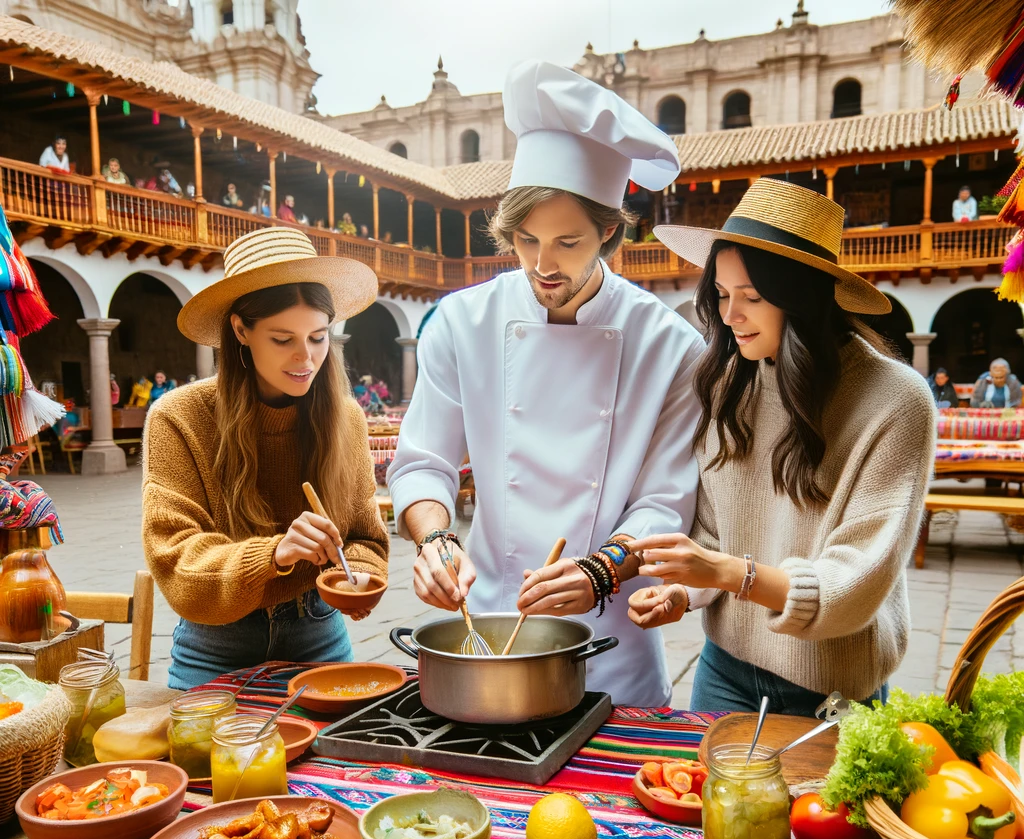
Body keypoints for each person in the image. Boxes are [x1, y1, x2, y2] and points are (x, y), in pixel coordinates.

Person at [387, 61, 703, 706]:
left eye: (566, 242)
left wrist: (601, 570)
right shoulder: (462, 321)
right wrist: (436, 541)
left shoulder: (670, 345)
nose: (541, 264)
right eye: (525, 239)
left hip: (611, 631)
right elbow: (423, 462)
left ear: (610, 232)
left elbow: (666, 499)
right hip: (490, 617)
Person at [627, 179, 936, 714]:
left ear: (803, 296)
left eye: (751, 297)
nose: (729, 316)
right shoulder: (730, 382)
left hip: (832, 689)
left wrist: (729, 573)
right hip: (723, 667)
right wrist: (682, 592)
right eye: (722, 295)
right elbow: (712, 528)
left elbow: (855, 582)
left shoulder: (896, 401)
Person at [142, 226, 386, 689]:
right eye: (282, 339)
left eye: (318, 337)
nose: (306, 358)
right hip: (214, 646)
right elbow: (175, 562)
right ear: (240, 330)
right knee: (208, 760)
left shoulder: (347, 419)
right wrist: (274, 552)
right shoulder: (178, 418)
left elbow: (365, 538)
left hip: (320, 635)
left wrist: (360, 579)